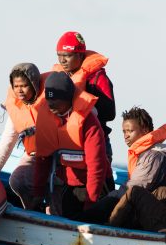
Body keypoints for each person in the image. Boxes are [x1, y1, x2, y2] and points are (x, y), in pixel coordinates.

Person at [86, 107, 166, 227]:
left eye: (130, 131)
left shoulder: (153, 157)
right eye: (124, 132)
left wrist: (94, 209)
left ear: (145, 130)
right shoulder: (158, 151)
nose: (126, 136)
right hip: (164, 211)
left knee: (122, 197)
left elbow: (130, 189)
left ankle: (86, 222)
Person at [29, 72, 109, 219]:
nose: (51, 104)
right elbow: (43, 159)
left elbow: (96, 167)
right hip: (67, 183)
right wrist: (37, 193)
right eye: (49, 99)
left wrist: (90, 204)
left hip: (94, 185)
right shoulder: (46, 118)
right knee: (64, 208)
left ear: (68, 98)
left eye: (56, 99)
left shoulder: (89, 124)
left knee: (87, 216)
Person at [0, 62, 50, 209]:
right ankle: (32, 209)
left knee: (54, 189)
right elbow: (6, 144)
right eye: (16, 86)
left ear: (34, 85)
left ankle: (51, 212)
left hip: (57, 156)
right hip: (35, 154)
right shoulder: (16, 108)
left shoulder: (52, 101)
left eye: (24, 86)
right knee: (17, 180)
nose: (19, 90)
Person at [54, 31, 115, 161]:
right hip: (68, 144)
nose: (62, 60)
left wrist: (85, 104)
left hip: (97, 143)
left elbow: (110, 113)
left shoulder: (97, 78)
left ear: (80, 55)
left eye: (67, 56)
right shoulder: (60, 78)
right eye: (59, 55)